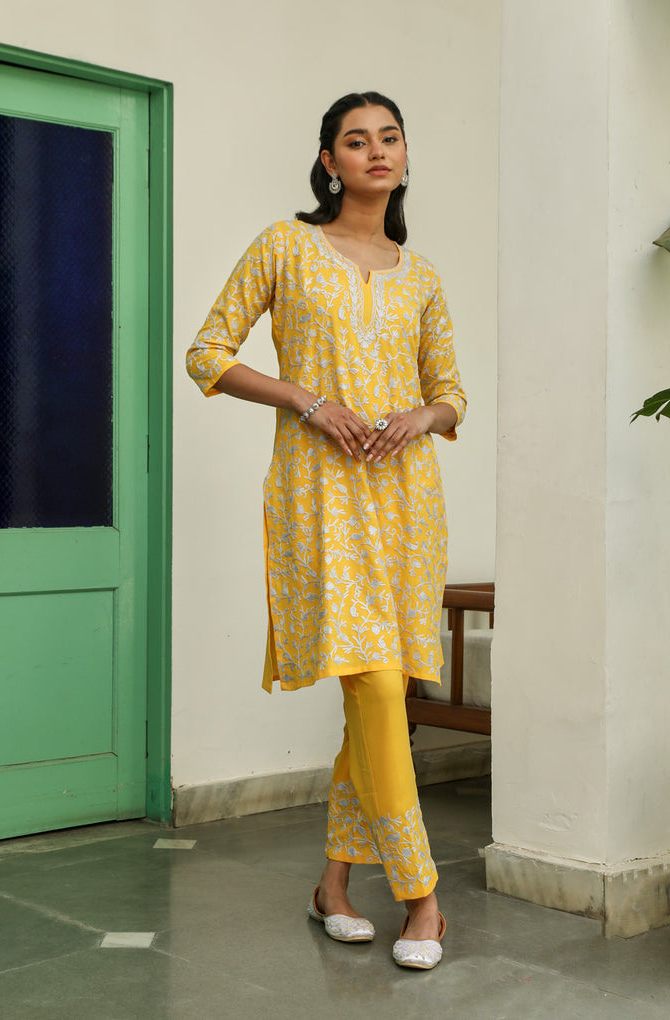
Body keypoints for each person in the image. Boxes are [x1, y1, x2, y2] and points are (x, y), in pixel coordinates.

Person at [186, 91, 466, 970]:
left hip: (406, 504)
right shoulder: (285, 246)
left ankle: (333, 888)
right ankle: (423, 899)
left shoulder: (421, 276)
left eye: (390, 138)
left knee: (372, 694)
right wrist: (307, 400)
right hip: (318, 497)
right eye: (356, 140)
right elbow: (207, 354)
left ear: (405, 156)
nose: (376, 151)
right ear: (328, 161)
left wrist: (423, 416)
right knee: (378, 690)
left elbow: (452, 393)